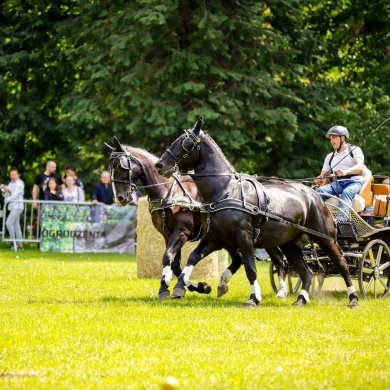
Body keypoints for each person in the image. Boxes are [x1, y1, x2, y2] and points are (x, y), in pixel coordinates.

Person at [315, 125, 365, 217]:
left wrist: (346, 172)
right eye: (330, 138)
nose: (331, 141)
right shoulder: (330, 157)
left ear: (342, 138)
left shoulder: (354, 150)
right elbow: (323, 175)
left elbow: (359, 167)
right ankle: (318, 218)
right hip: (339, 183)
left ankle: (342, 221)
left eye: (334, 137)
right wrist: (319, 179)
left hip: (355, 181)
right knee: (320, 191)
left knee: (346, 192)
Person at [1, 168, 25, 250]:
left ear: (18, 175)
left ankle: (12, 241)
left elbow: (14, 195)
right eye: (11, 175)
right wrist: (5, 191)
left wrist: (7, 199)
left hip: (17, 206)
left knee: (8, 223)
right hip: (12, 206)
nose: (13, 176)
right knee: (16, 225)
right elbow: (7, 194)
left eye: (14, 175)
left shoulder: (20, 183)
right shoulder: (11, 183)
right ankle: (20, 245)